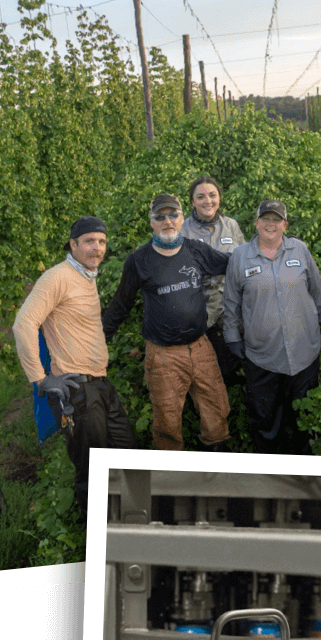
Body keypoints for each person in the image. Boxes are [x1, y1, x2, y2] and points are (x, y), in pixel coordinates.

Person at [12, 216, 136, 516]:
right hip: (76, 390)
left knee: (126, 452)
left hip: (99, 385)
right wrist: (41, 380)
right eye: (90, 241)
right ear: (74, 245)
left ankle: (129, 519)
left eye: (102, 241)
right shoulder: (58, 277)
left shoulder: (85, 277)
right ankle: (97, 536)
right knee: (91, 469)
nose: (97, 248)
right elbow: (24, 323)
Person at [101, 193, 234, 452]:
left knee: (216, 407)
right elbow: (121, 304)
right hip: (163, 355)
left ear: (182, 218)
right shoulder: (139, 260)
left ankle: (217, 460)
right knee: (167, 420)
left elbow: (232, 264)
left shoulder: (196, 250)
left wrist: (260, 253)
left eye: (173, 215)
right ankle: (169, 477)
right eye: (160, 217)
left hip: (200, 346)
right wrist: (98, 341)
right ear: (151, 222)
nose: (168, 221)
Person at [222, 201, 321, 455]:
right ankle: (270, 469)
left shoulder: (299, 250)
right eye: (265, 219)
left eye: (276, 219)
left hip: (304, 355)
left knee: (304, 420)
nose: (271, 224)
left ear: (285, 225)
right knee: (266, 421)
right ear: (255, 223)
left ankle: (304, 469)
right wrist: (232, 336)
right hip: (262, 358)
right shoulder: (240, 257)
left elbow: (318, 291)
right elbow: (231, 302)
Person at [180, 176, 246, 380]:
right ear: (192, 202)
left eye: (212, 195)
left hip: (229, 312)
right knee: (204, 373)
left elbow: (244, 263)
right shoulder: (182, 229)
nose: (207, 201)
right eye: (200, 197)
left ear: (219, 198)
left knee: (231, 368)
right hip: (197, 316)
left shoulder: (231, 226)